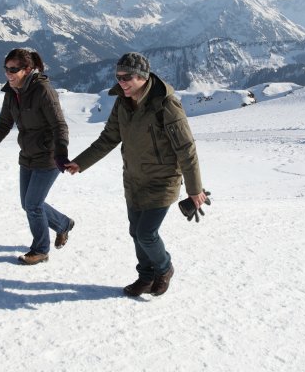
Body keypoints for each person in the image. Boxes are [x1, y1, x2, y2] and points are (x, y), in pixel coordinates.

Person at [65, 52, 206, 296]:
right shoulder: (122, 101)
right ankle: (146, 277)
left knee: (146, 233)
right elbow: (109, 138)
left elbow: (186, 149)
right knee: (135, 232)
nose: (121, 82)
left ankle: (164, 268)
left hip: (162, 181)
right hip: (133, 179)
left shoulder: (165, 104)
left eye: (127, 77)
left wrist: (195, 190)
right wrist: (80, 163)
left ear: (142, 76)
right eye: (118, 77)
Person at [0, 48, 74, 266]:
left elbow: (59, 124)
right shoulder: (12, 92)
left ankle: (40, 250)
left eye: (14, 69)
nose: (9, 73)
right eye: (6, 69)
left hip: (49, 157)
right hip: (27, 155)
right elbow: (4, 123)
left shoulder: (43, 91)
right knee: (29, 203)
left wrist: (61, 153)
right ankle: (63, 224)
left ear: (28, 69)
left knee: (33, 204)